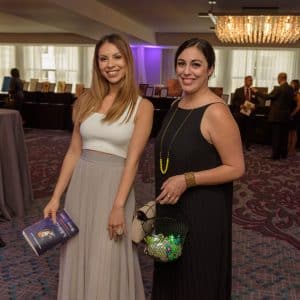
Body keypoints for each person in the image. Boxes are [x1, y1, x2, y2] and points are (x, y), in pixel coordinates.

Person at [43, 33, 153, 300]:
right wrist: (56, 197)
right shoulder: (85, 100)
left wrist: (118, 206)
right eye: (103, 58)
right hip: (82, 184)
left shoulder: (142, 106)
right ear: (97, 64)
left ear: (127, 61)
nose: (110, 64)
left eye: (117, 57)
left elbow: (133, 161)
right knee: (79, 247)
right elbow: (73, 151)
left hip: (114, 188)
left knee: (108, 253)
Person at [152, 38, 245, 300]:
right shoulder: (174, 105)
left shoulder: (216, 111)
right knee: (168, 276)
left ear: (210, 69)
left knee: (194, 280)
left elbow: (236, 167)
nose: (186, 71)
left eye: (196, 64)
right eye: (181, 63)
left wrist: (187, 179)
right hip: (169, 208)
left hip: (201, 214)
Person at [255, 72, 294, 160]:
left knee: (276, 137)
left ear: (280, 78)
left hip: (277, 117)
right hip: (286, 116)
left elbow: (268, 97)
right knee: (284, 136)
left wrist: (257, 92)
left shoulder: (279, 89)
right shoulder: (291, 89)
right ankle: (283, 154)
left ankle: (275, 156)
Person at [231, 75, 259, 150]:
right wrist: (240, 105)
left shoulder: (254, 91)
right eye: (249, 80)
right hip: (239, 114)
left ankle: (247, 146)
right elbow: (233, 101)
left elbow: (258, 102)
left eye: (252, 80)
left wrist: (254, 106)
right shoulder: (238, 90)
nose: (251, 82)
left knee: (249, 131)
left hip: (250, 114)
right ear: (245, 81)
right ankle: (237, 146)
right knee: (238, 130)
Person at [288, 79, 300, 156]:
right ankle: (288, 148)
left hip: (295, 115)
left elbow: (299, 107)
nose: (290, 84)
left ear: (295, 85)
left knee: (294, 132)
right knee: (289, 132)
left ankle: (292, 149)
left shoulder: (298, 94)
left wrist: (292, 114)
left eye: (292, 83)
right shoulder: (290, 93)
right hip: (289, 115)